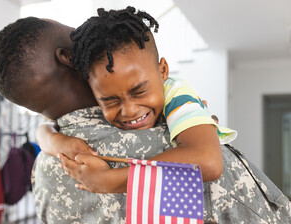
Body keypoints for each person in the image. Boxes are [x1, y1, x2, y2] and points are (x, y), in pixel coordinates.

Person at [0, 16, 291, 224]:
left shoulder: (44, 170)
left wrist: (50, 138)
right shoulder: (173, 148)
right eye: (75, 33)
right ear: (68, 58)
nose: (130, 108)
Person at [48, 7, 237, 193]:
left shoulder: (178, 95)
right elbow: (47, 125)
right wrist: (52, 139)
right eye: (111, 101)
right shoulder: (102, 91)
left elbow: (208, 160)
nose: (129, 110)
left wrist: (111, 180)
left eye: (139, 91)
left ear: (163, 71)